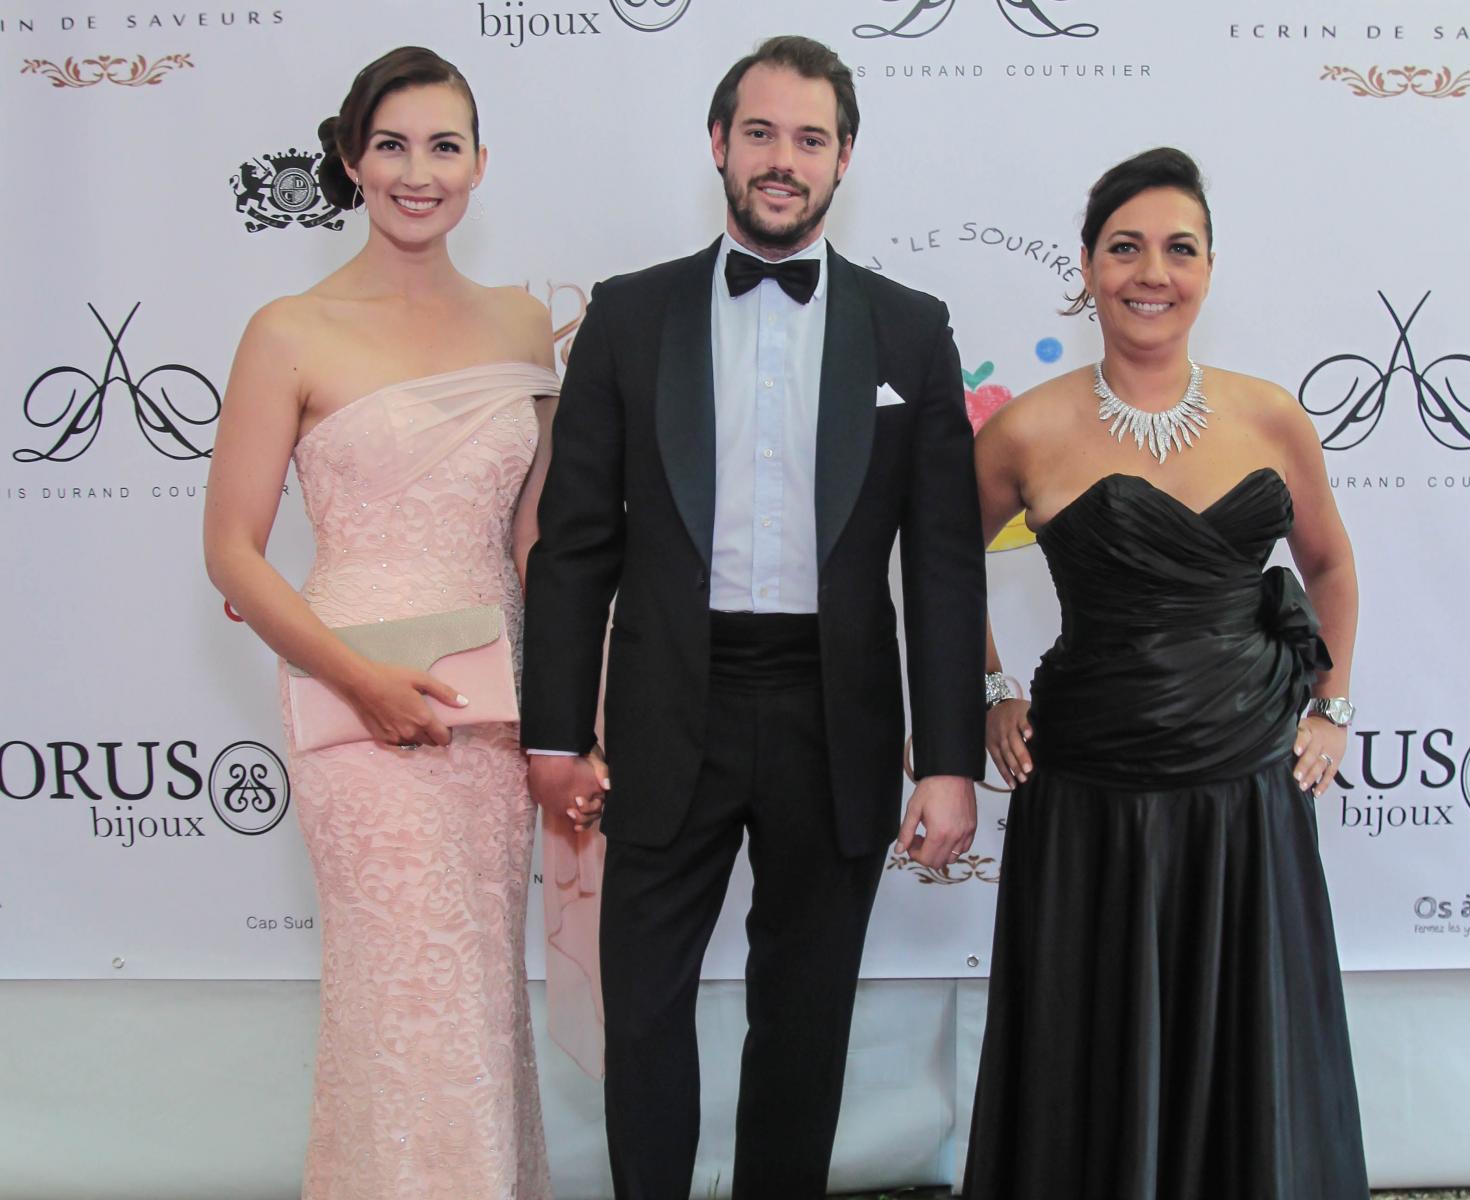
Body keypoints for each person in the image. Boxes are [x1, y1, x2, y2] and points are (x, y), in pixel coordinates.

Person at [522, 34, 987, 1200]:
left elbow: (939, 562)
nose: (784, 160)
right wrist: (552, 732)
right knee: (643, 1008)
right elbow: (576, 545)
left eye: (811, 139)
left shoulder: (909, 327)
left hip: (836, 711)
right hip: (671, 699)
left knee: (805, 1015)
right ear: (719, 145)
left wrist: (949, 760)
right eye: (763, 133)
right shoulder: (629, 319)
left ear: (844, 161)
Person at [202, 46, 599, 1199]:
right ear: (348, 158)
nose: (417, 172)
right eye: (390, 145)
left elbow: (535, 541)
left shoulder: (525, 326)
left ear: (479, 164)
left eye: (442, 145)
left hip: (491, 700)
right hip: (350, 703)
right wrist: (360, 680)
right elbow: (232, 547)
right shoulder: (289, 328)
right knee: (396, 987)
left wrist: (572, 708)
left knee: (474, 985)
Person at [963, 147, 1368, 1198]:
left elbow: (1327, 563)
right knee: (1092, 1038)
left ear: (1208, 267)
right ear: (1087, 268)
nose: (1153, 271)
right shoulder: (1026, 427)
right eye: (1125, 247)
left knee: (1241, 1039)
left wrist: (1331, 707)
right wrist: (992, 692)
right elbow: (935, 570)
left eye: (1178, 249)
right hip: (1093, 788)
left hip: (1246, 788)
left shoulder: (1270, 414)